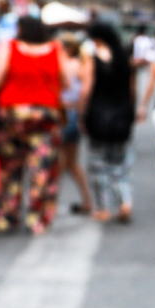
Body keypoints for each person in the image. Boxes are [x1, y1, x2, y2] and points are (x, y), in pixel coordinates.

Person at [0, 16, 67, 235]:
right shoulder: (55, 49)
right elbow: (66, 81)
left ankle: (5, 216)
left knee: (9, 167)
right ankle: (37, 219)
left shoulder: (9, 47)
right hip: (45, 116)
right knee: (42, 170)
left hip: (12, 115)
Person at [81, 23, 137, 223]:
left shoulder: (92, 60)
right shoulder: (124, 59)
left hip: (98, 116)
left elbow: (86, 90)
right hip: (122, 115)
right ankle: (125, 202)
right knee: (121, 164)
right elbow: (132, 90)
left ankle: (103, 207)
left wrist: (82, 113)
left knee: (98, 165)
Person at [58, 37, 93, 215]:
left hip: (63, 113)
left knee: (58, 162)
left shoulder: (64, 64)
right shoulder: (82, 64)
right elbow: (85, 91)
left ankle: (48, 204)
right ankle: (87, 200)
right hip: (74, 114)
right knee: (71, 163)